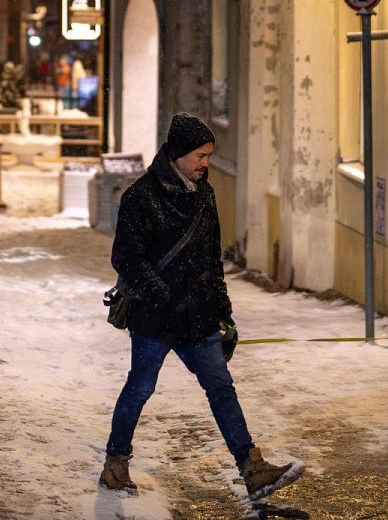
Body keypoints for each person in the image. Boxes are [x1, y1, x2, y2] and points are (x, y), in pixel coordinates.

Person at [100, 113, 302, 501]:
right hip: (154, 318)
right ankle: (115, 465)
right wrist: (162, 293)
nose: (205, 163)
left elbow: (212, 259)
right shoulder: (141, 197)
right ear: (178, 153)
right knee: (140, 388)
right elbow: (126, 258)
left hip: (199, 317)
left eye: (208, 155)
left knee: (221, 387)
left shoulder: (204, 194)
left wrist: (224, 313)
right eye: (200, 155)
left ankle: (253, 469)